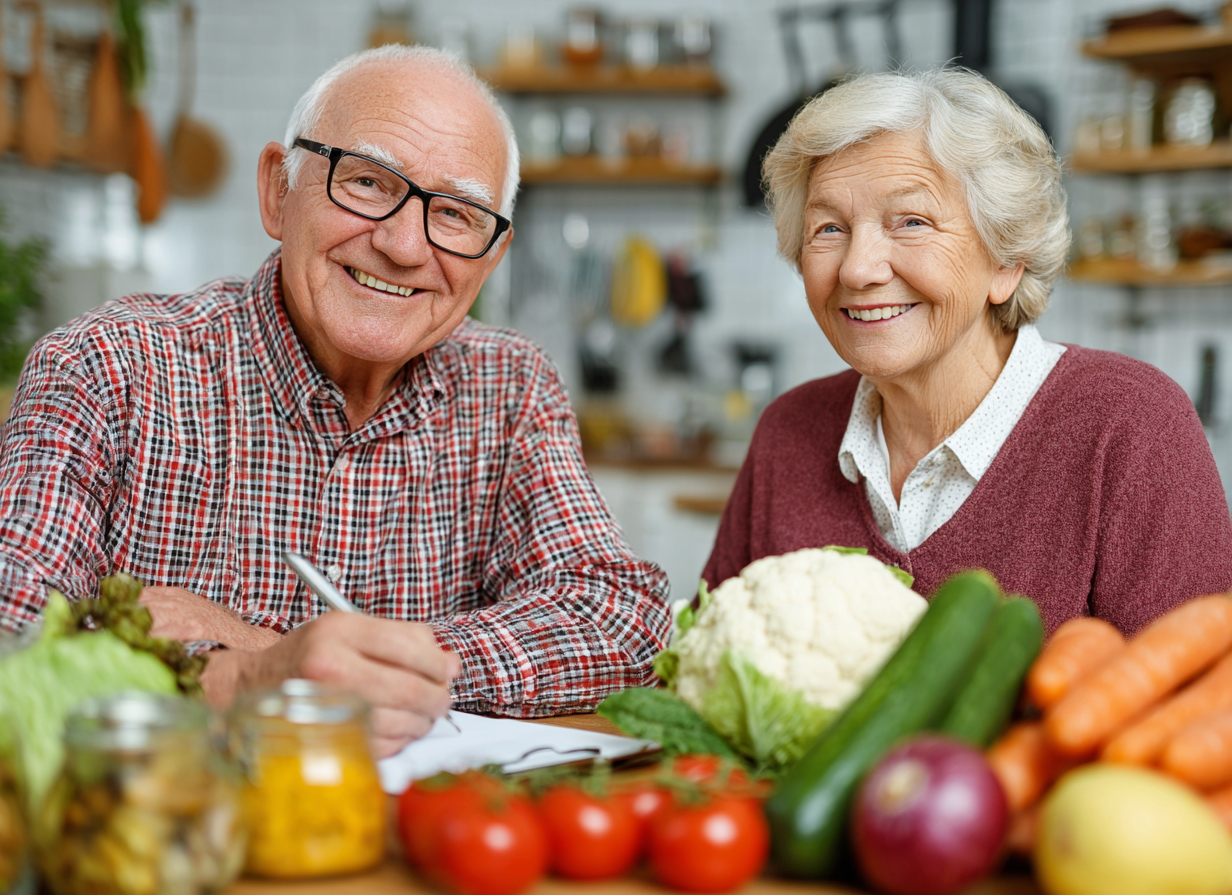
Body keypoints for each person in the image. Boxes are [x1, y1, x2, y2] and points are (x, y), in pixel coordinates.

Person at [0, 46, 669, 756]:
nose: (406, 244)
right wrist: (242, 679)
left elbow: (622, 620)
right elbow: (14, 640)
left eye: (459, 215)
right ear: (277, 193)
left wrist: (282, 660)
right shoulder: (106, 365)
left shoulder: (510, 384)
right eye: (370, 183)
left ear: (489, 259)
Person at [703, 68, 1232, 635]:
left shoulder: (1131, 424)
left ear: (1006, 261)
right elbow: (701, 679)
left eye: (911, 221)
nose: (857, 269)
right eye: (828, 229)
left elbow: (1196, 710)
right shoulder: (789, 432)